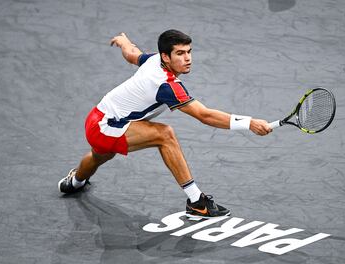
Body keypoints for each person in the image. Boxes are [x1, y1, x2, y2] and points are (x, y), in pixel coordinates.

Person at [58, 30, 272, 218]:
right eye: (180, 53)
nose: (187, 58)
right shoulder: (167, 85)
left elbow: (132, 54)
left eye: (189, 51)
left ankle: (74, 183)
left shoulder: (153, 60)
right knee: (165, 134)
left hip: (97, 118)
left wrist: (124, 42)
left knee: (100, 155)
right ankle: (197, 202)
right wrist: (249, 123)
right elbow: (205, 116)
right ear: (166, 57)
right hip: (107, 127)